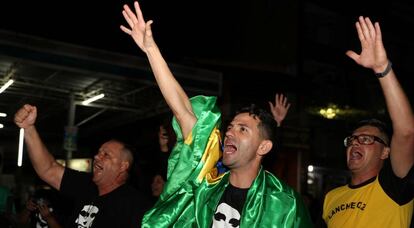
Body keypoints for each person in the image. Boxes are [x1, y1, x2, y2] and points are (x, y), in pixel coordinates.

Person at [120, 2, 313, 227]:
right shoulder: (206, 186)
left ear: (263, 147)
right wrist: (151, 50)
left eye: (243, 129)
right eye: (230, 126)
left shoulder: (284, 204)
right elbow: (183, 111)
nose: (230, 132)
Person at [322, 16, 414, 227]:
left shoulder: (394, 187)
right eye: (353, 139)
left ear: (385, 152)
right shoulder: (331, 197)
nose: (355, 143)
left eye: (365, 139)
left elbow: (407, 132)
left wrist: (382, 68)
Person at [14, 106, 151, 227]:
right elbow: (48, 169)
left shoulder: (134, 205)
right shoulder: (86, 185)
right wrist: (29, 128)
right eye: (98, 153)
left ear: (123, 166)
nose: (97, 157)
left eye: (106, 155)